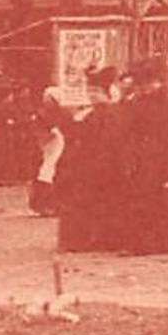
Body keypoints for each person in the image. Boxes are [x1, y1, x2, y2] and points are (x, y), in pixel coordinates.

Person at [118, 59, 168, 255]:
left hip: (157, 158)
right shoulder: (150, 101)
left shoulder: (160, 102)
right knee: (153, 199)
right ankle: (157, 241)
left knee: (153, 199)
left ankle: (149, 243)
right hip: (149, 158)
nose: (142, 87)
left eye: (144, 83)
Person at [55, 65, 126, 252]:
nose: (91, 94)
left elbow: (110, 141)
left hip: (104, 165)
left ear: (104, 93)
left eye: (94, 91)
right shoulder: (89, 114)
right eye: (89, 91)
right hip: (87, 165)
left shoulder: (110, 114)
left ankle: (103, 238)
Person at [29, 87, 70, 216]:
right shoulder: (43, 113)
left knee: (52, 173)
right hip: (49, 146)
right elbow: (39, 130)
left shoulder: (61, 112)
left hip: (58, 146)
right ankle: (43, 205)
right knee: (46, 172)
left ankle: (52, 205)